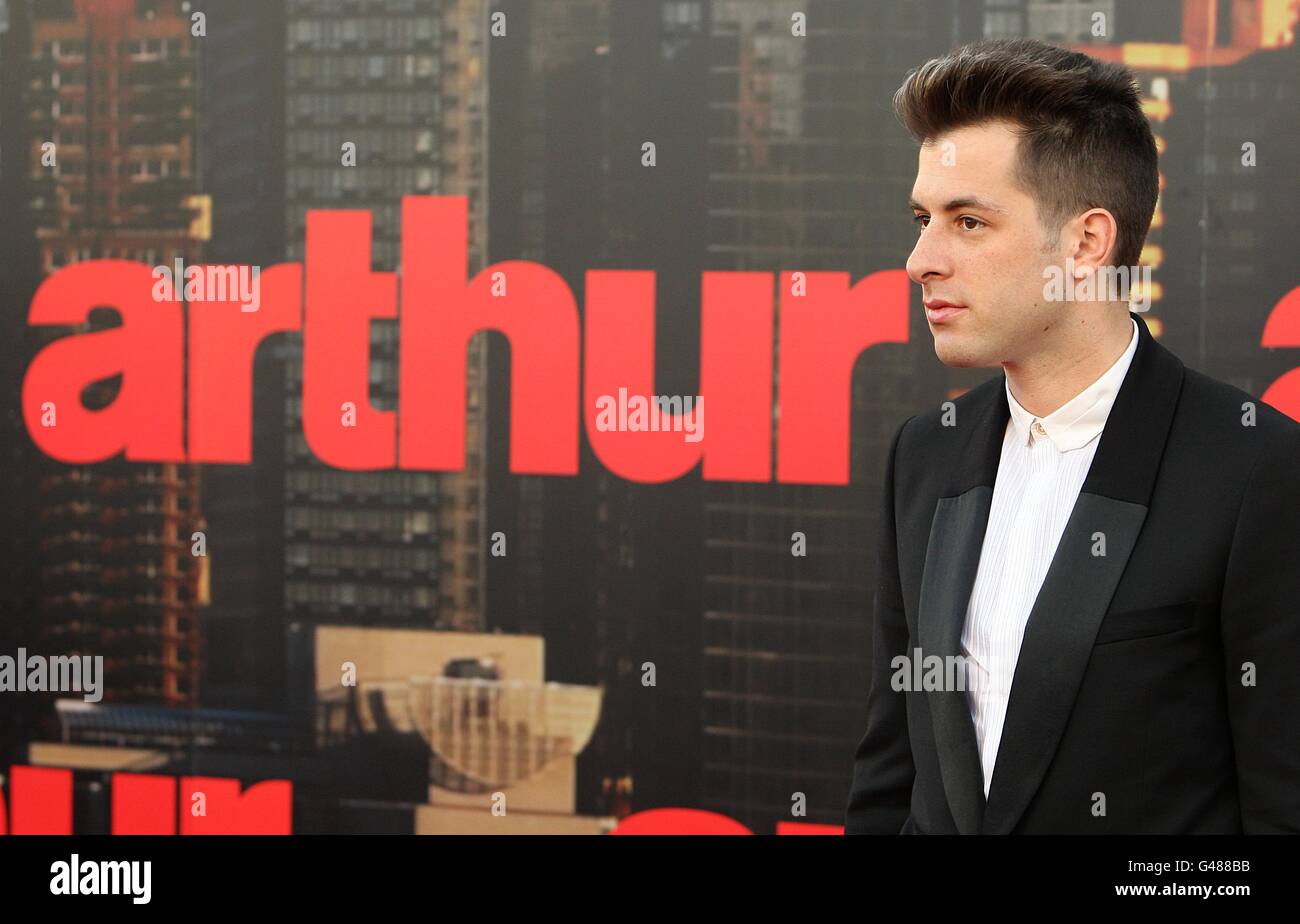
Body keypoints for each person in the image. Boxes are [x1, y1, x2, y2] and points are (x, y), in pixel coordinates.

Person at [844, 38, 1300, 834]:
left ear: (1087, 244)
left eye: (969, 222)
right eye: (923, 219)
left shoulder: (1256, 469)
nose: (920, 260)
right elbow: (892, 771)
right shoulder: (925, 453)